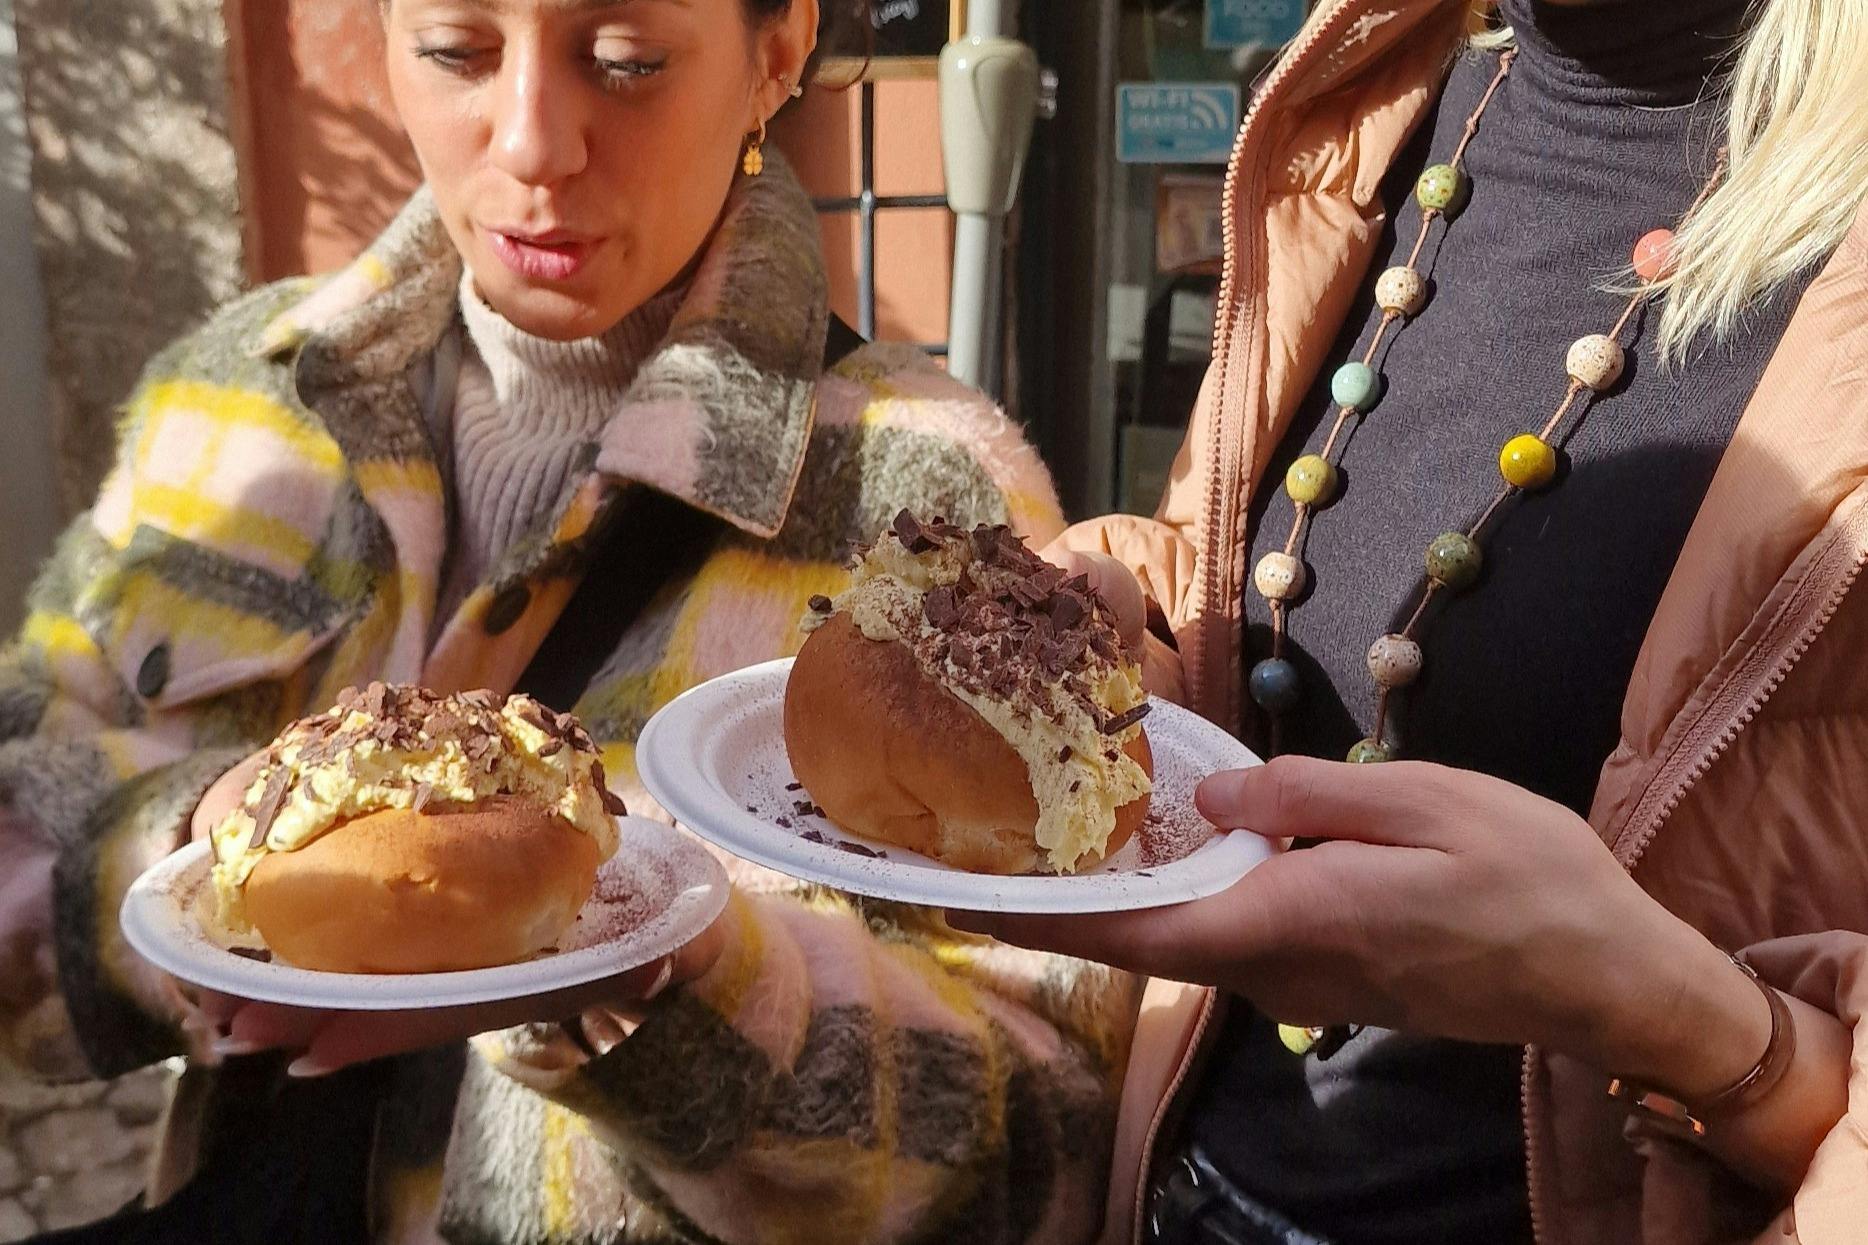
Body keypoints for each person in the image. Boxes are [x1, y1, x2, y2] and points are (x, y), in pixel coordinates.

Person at [0, 2, 1119, 1242]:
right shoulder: (231, 398)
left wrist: (687, 991)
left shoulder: (926, 504)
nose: (532, 143)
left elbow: (1041, 1149)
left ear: (775, 55)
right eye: (454, 51)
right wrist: (206, 859)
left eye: (625, 61)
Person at [970, 0, 1868, 1242]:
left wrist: (1672, 1017)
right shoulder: (1367, 114)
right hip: (1183, 1195)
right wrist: (1137, 643)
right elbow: (1291, 629)